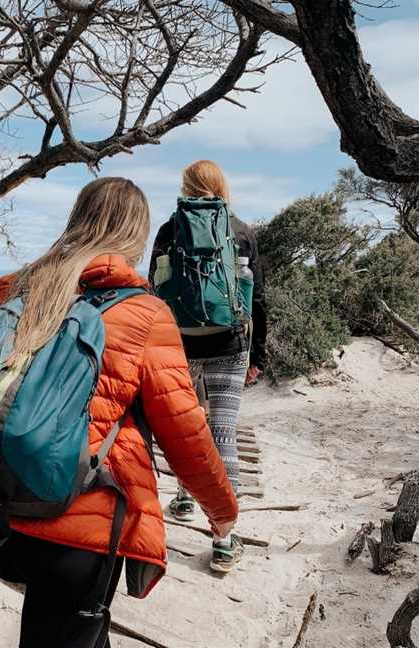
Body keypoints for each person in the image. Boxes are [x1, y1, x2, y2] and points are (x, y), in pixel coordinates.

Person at [0, 177, 238, 648]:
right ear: (136, 235)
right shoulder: (146, 314)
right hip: (80, 533)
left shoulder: (9, 293)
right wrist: (222, 511)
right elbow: (186, 431)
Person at [148, 160, 265, 572]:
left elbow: (152, 292)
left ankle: (183, 495)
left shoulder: (168, 231)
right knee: (222, 434)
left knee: (187, 427)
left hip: (179, 344)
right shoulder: (243, 233)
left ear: (186, 186)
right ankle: (224, 539)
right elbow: (258, 300)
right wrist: (259, 356)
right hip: (230, 345)